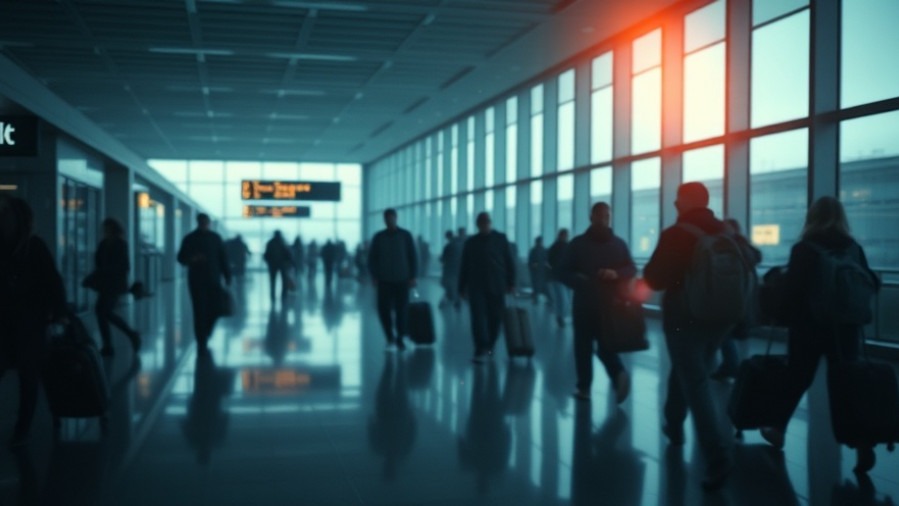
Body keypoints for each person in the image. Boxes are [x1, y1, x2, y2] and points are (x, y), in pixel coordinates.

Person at [758, 196, 880, 472]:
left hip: (809, 326)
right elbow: (870, 281)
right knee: (847, 383)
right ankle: (862, 441)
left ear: (811, 217)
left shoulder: (805, 248)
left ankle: (777, 429)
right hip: (846, 327)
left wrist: (779, 311)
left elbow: (793, 292)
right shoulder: (852, 248)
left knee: (797, 378)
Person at [643, 182, 746, 490]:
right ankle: (674, 424)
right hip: (722, 319)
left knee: (696, 382)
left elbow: (654, 278)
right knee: (687, 369)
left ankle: (717, 455)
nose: (675, 204)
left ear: (686, 202)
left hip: (683, 319)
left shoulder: (676, 235)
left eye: (678, 200)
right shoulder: (726, 232)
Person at [0, 197, 66, 448]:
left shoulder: (34, 247)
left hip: (30, 323)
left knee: (29, 374)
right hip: (6, 321)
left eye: (5, 214)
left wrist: (59, 313)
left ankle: (23, 427)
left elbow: (53, 281)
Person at [558, 203, 636, 403]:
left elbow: (563, 272)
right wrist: (616, 274)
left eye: (606, 217)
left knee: (584, 347)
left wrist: (583, 281)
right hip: (606, 305)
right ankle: (617, 374)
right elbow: (631, 269)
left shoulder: (578, 244)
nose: (603, 220)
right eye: (601, 216)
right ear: (592, 217)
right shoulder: (617, 244)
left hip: (588, 304)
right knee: (604, 345)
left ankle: (585, 387)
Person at [458, 212, 515, 363]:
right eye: (482, 223)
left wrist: (511, 282)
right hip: (476, 286)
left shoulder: (500, 239)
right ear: (478, 225)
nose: (485, 225)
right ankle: (481, 348)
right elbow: (465, 265)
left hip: (497, 285)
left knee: (495, 318)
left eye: (487, 222)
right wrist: (461, 287)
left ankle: (490, 344)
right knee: (478, 318)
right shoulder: (471, 243)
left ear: (490, 223)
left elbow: (509, 261)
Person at [711, 218, 762, 380]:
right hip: (743, 299)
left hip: (731, 299)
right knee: (726, 334)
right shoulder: (745, 248)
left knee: (723, 334)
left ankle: (730, 365)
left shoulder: (730, 249)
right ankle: (730, 366)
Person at [177, 213, 231, 354]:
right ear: (198, 222)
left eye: (206, 222)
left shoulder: (215, 238)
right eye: (202, 222)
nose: (204, 224)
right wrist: (192, 259)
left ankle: (205, 331)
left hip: (213, 279)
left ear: (208, 223)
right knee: (199, 310)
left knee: (215, 309)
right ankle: (201, 339)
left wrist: (227, 275)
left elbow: (223, 258)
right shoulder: (190, 239)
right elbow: (181, 258)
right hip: (197, 281)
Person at [368, 209, 418, 350]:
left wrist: (413, 276)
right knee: (383, 310)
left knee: (402, 310)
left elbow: (412, 256)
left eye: (391, 218)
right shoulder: (379, 237)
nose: (390, 221)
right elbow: (372, 258)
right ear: (384, 220)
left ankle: (400, 337)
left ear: (396, 218)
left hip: (402, 279)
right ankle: (390, 337)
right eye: (387, 219)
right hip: (384, 280)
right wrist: (374, 275)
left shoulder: (405, 236)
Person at [93, 218, 141, 356]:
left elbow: (124, 266)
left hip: (114, 284)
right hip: (104, 283)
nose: (105, 230)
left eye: (108, 228)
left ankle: (116, 341)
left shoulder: (120, 244)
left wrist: (107, 271)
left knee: (103, 312)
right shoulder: (103, 244)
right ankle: (113, 343)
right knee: (103, 312)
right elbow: (98, 262)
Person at [546, 229, 571, 328]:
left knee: (562, 299)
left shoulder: (554, 247)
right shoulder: (568, 247)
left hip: (558, 276)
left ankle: (560, 316)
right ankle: (560, 317)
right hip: (563, 276)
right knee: (564, 299)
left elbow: (549, 260)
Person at [263, 231, 294, 301]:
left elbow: (266, 254)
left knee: (272, 281)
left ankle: (272, 295)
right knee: (284, 280)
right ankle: (284, 295)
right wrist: (290, 262)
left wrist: (269, 261)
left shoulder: (270, 243)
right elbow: (288, 254)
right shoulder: (283, 242)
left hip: (272, 265)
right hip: (282, 265)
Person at [439, 230, 462, 309]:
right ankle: (456, 301)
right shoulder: (460, 245)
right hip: (458, 269)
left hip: (449, 270)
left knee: (449, 286)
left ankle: (452, 301)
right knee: (454, 286)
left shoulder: (448, 246)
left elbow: (443, 259)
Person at [527, 236, 547, 305]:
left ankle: (536, 299)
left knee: (538, 285)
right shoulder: (541, 250)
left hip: (539, 271)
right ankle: (535, 299)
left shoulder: (537, 250)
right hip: (538, 271)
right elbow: (530, 262)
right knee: (536, 286)